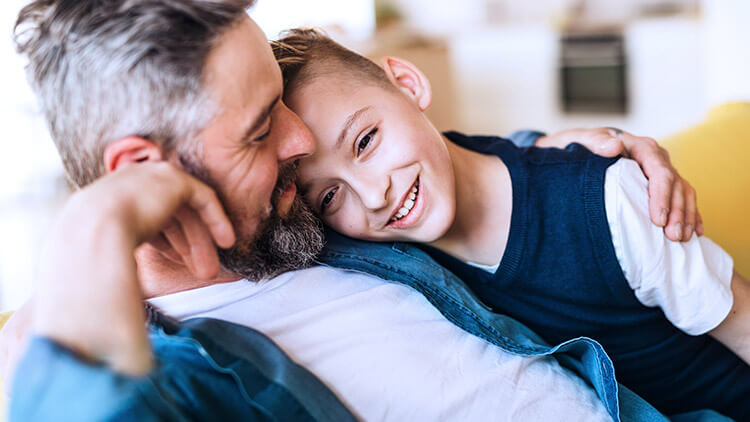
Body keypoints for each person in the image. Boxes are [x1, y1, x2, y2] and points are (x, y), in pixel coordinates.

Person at [0, 0, 720, 420]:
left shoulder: (293, 226)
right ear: (139, 172)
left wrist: (554, 161)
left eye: (283, 105)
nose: (300, 140)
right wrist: (82, 243)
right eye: (260, 129)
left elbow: (426, 174)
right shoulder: (175, 371)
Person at [274, 29, 750, 419]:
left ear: (407, 83)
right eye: (331, 195)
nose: (375, 194)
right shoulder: (384, 262)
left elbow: (742, 325)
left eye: (365, 141)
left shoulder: (607, 197)